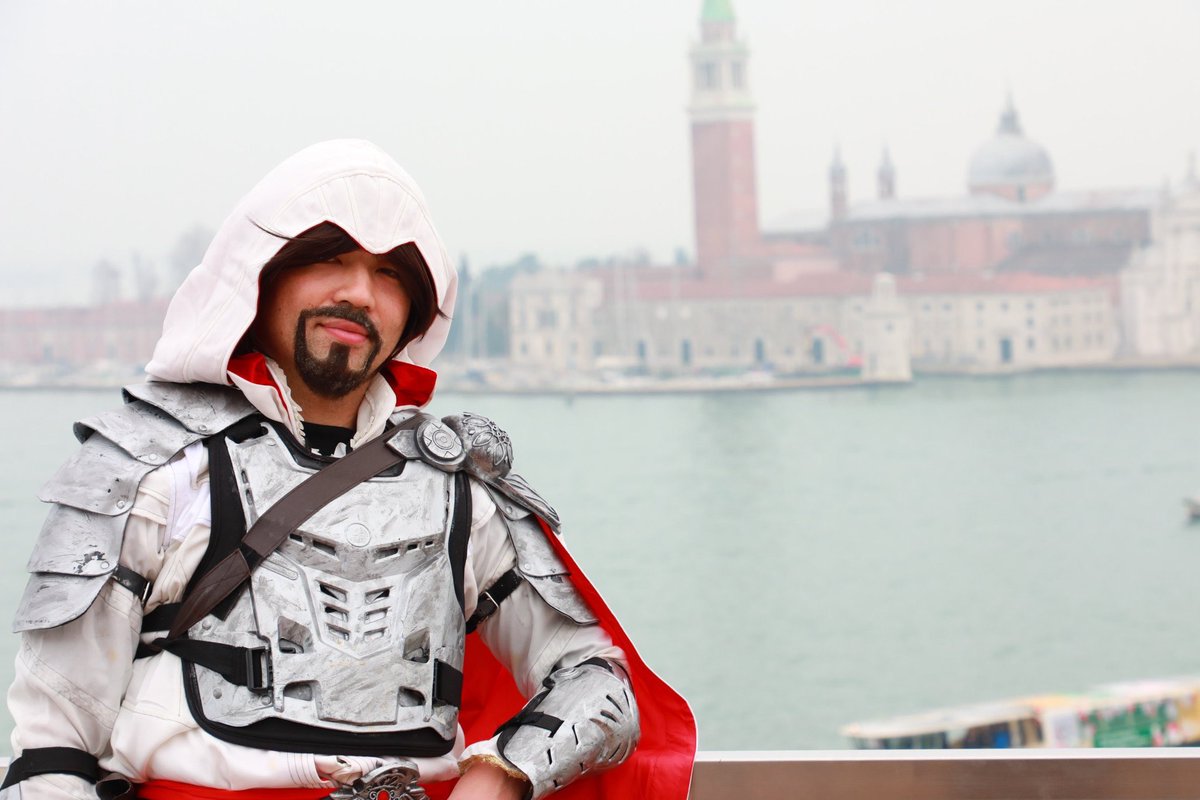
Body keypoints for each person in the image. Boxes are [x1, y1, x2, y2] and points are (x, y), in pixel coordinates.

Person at [2, 140, 695, 800]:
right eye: (330, 258)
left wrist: (502, 773)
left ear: (413, 313)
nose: (360, 292)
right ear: (263, 274)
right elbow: (53, 747)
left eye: (391, 274)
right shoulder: (149, 470)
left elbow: (598, 678)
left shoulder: (460, 490)